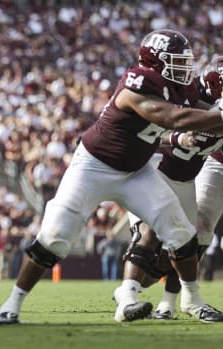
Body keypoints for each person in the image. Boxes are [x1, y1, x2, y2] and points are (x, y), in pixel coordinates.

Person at [0, 29, 223, 325]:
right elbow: (174, 119)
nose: (185, 68)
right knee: (54, 239)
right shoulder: (137, 83)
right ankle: (13, 302)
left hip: (136, 171)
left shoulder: (183, 87)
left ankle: (191, 299)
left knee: (180, 231)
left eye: (185, 61)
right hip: (95, 166)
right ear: (155, 63)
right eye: (176, 61)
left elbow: (193, 119)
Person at [113, 56, 223, 321]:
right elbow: (145, 130)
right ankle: (127, 296)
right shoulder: (182, 98)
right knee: (148, 235)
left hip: (186, 178)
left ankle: (175, 302)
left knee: (191, 239)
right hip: (153, 170)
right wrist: (176, 136)